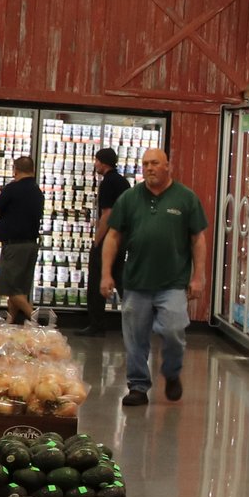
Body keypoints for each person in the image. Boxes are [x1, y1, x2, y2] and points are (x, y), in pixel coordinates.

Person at [100, 146, 207, 407]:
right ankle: (137, 387)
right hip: (136, 282)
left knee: (173, 330)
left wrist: (198, 277)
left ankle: (171, 373)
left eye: (155, 163)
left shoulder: (185, 198)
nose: (150, 168)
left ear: (168, 166)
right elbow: (113, 237)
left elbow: (198, 239)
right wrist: (105, 274)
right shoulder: (129, 198)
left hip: (172, 282)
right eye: (146, 163)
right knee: (135, 339)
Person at [0, 155, 43, 324]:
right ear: (32, 170)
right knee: (20, 289)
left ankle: (37, 320)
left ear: (15, 170)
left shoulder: (12, 188)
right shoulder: (37, 191)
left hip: (14, 246)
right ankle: (10, 322)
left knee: (11, 289)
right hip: (31, 245)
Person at [85, 148, 130, 335]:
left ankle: (97, 325)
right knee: (120, 278)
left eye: (96, 161)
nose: (95, 164)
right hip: (123, 237)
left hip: (109, 238)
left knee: (97, 279)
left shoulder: (108, 183)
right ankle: (135, 317)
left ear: (103, 162)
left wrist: (97, 240)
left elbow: (107, 214)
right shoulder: (123, 182)